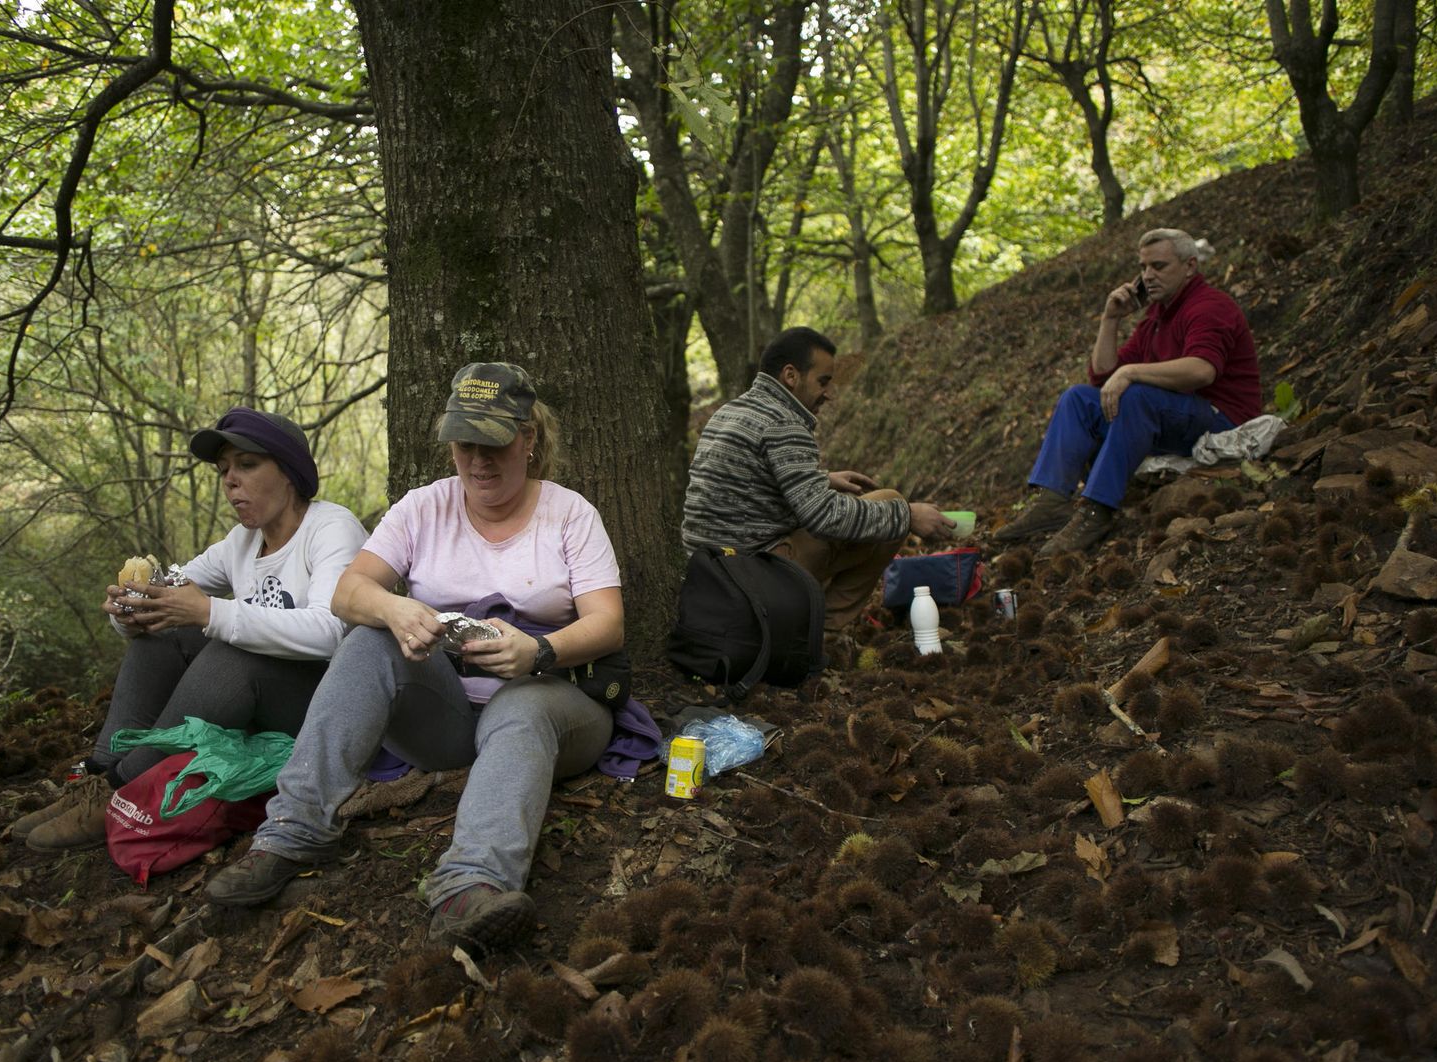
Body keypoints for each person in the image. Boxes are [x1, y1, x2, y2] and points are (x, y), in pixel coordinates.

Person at [205, 363, 623, 955]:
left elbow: (608, 623)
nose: (478, 460)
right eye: (464, 444)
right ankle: (293, 830)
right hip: (448, 713)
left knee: (522, 711)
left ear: (528, 441)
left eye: (495, 443)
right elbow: (348, 593)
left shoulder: (569, 513)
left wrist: (539, 650)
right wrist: (395, 611)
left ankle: (470, 884)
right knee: (368, 639)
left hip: (554, 701)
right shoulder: (423, 508)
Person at [10, 408, 368, 851]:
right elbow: (168, 591)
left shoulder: (331, 527)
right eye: (224, 471)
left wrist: (208, 613)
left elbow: (332, 631)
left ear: (290, 471)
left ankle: (123, 789)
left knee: (226, 649)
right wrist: (130, 611)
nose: (231, 481)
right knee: (164, 635)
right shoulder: (241, 542)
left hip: (323, 708)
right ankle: (99, 776)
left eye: (247, 464)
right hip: (264, 701)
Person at [682, 327, 955, 656]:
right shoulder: (783, 423)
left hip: (708, 578)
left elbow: (748, 483)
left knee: (872, 511)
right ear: (791, 375)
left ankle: (809, 629)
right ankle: (819, 637)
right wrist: (908, 514)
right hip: (749, 582)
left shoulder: (732, 412)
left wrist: (821, 478)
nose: (829, 394)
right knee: (889, 504)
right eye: (824, 381)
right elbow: (825, 517)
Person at [992, 228, 1260, 557]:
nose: (1148, 276)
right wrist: (1110, 319)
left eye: (1159, 266)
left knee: (1136, 394)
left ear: (1190, 266)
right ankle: (1052, 501)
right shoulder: (1156, 317)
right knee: (1078, 399)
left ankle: (1097, 510)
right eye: (1144, 268)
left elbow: (1202, 370)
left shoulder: (1209, 306)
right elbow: (1103, 376)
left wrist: (1130, 372)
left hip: (1221, 418)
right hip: (1173, 416)